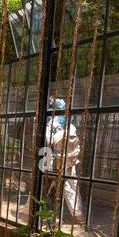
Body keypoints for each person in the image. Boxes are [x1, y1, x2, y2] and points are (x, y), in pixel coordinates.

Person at [45, 96, 84, 225]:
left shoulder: (54, 125)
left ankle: (76, 216)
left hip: (58, 160)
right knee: (65, 187)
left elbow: (48, 141)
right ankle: (76, 216)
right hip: (60, 160)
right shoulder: (67, 126)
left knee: (62, 187)